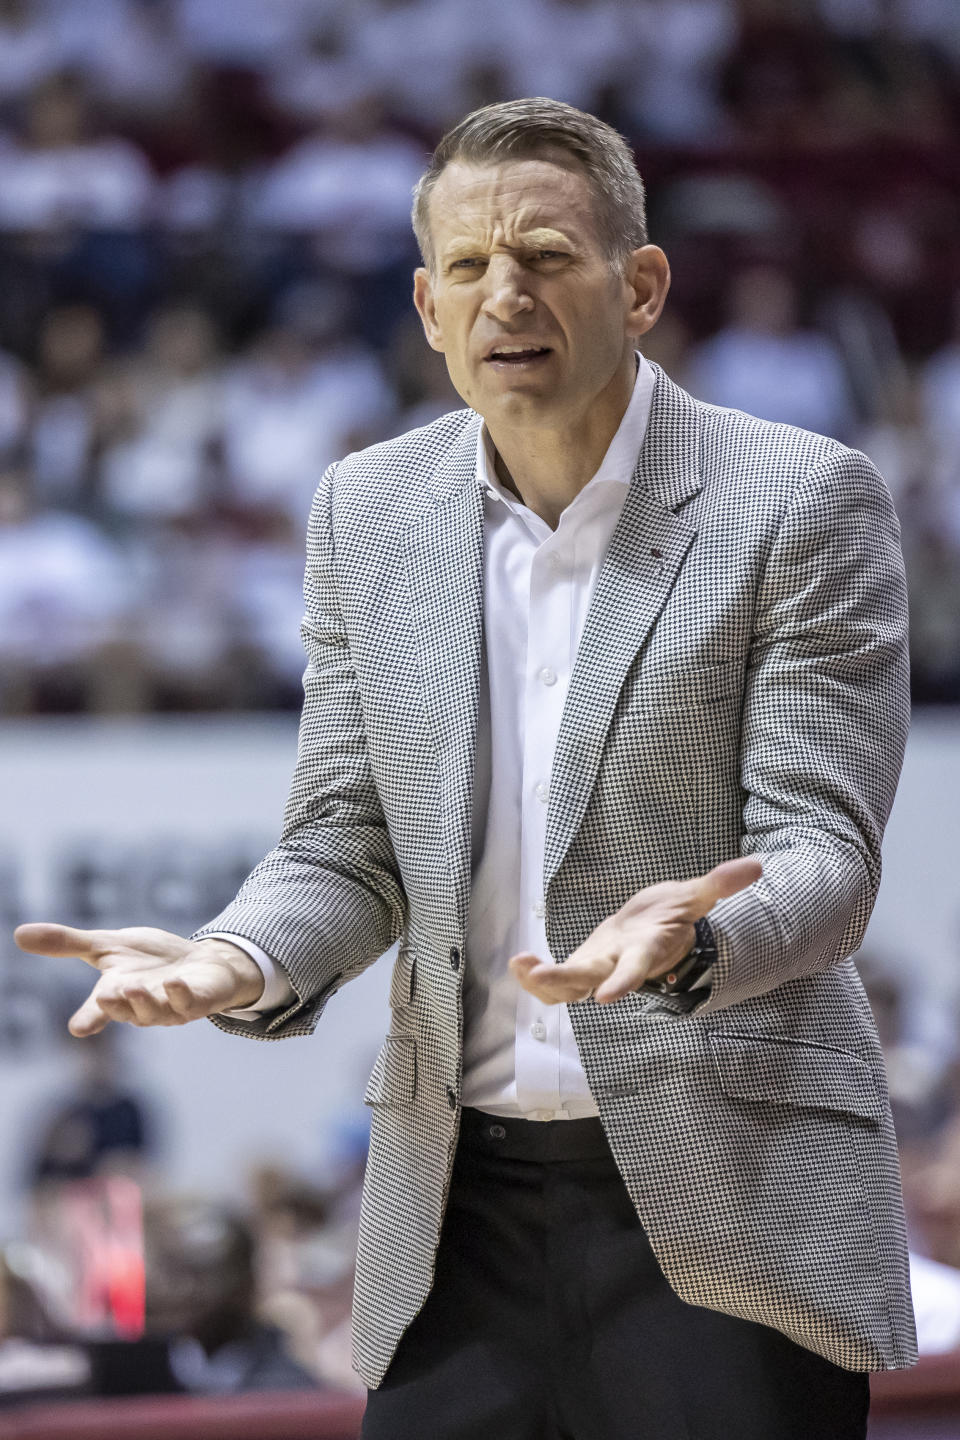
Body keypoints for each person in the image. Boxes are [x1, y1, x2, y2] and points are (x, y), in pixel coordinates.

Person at [15, 98, 916, 1438]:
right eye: (474, 268)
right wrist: (235, 959)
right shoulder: (364, 510)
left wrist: (691, 937)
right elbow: (342, 840)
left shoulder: (798, 499)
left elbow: (825, 855)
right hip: (455, 1213)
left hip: (724, 1196)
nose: (511, 294)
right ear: (429, 310)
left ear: (643, 284)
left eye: (548, 254)